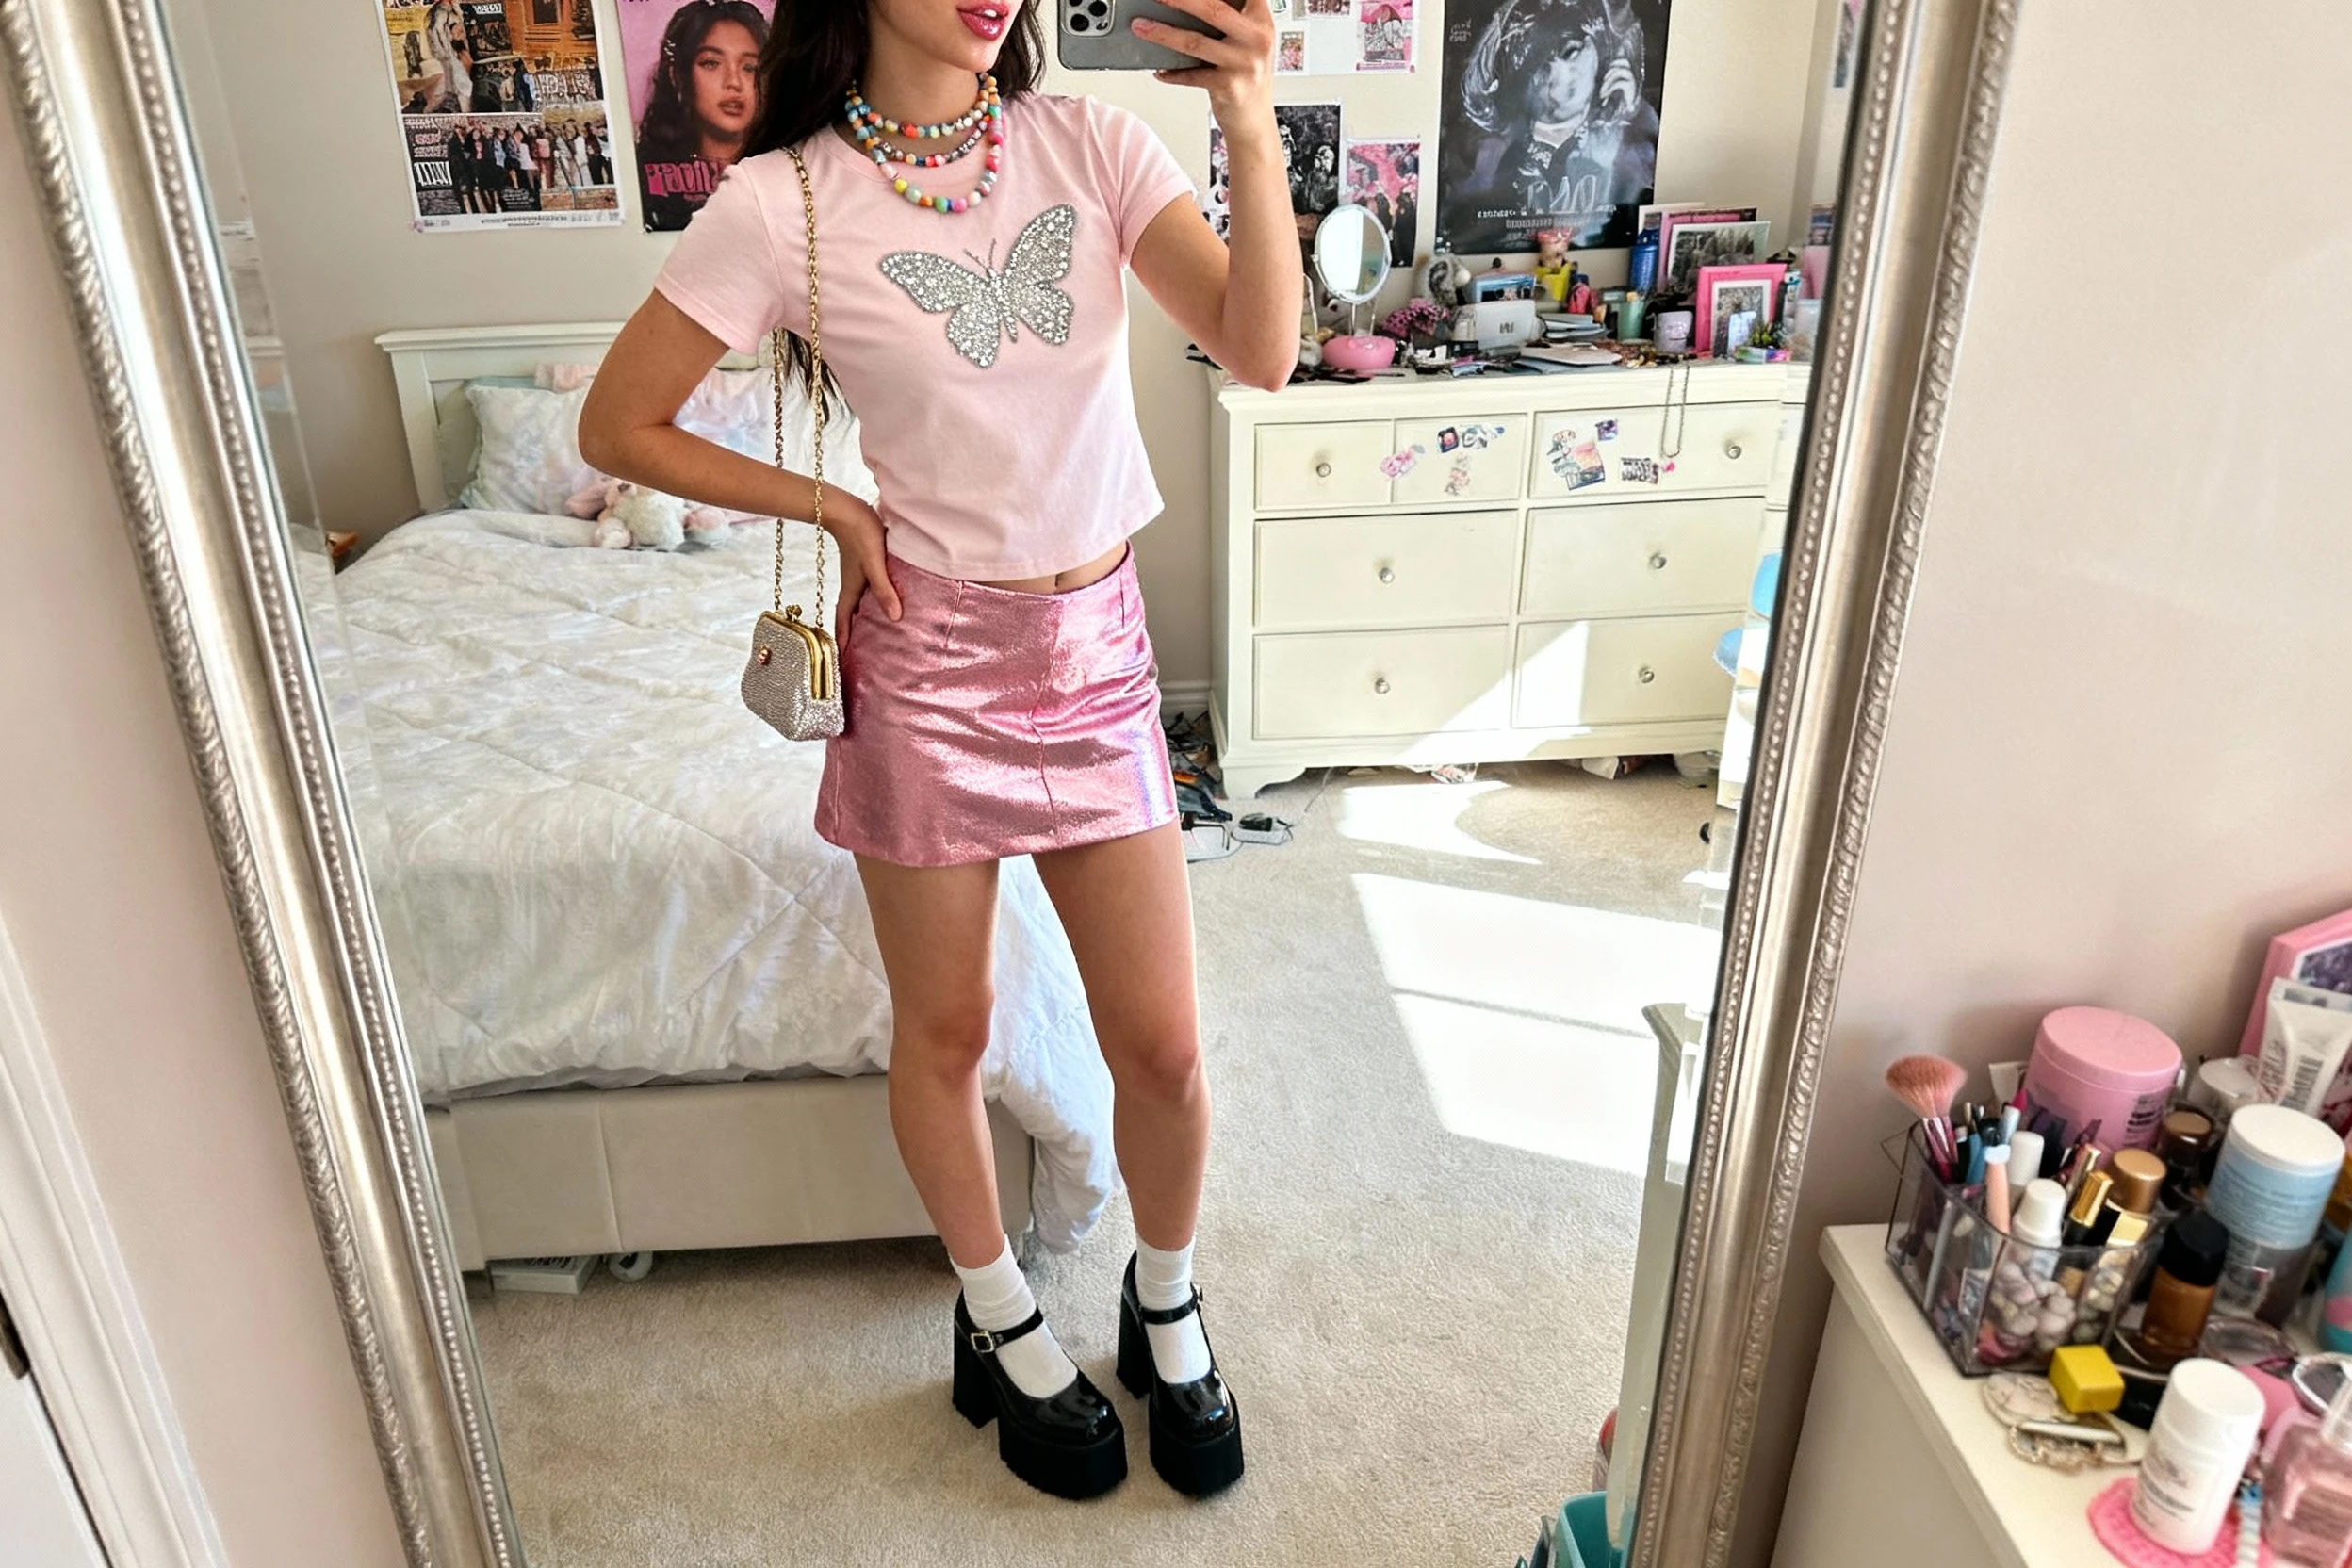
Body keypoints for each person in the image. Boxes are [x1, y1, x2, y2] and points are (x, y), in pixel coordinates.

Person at [579, 0, 1295, 1503]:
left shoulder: (1092, 143)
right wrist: (832, 506)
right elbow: (618, 427)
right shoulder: (780, 202)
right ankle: (998, 1315)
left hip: (1097, 652)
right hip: (926, 662)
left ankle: (1164, 1297)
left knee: (1164, 1047)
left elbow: (1265, 349)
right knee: (949, 1031)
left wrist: (1246, 119)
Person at [631, 0, 767, 229]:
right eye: (712, 63)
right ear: (678, 77)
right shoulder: (644, 177)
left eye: (749, 67)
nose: (734, 82)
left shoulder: (790, 171)